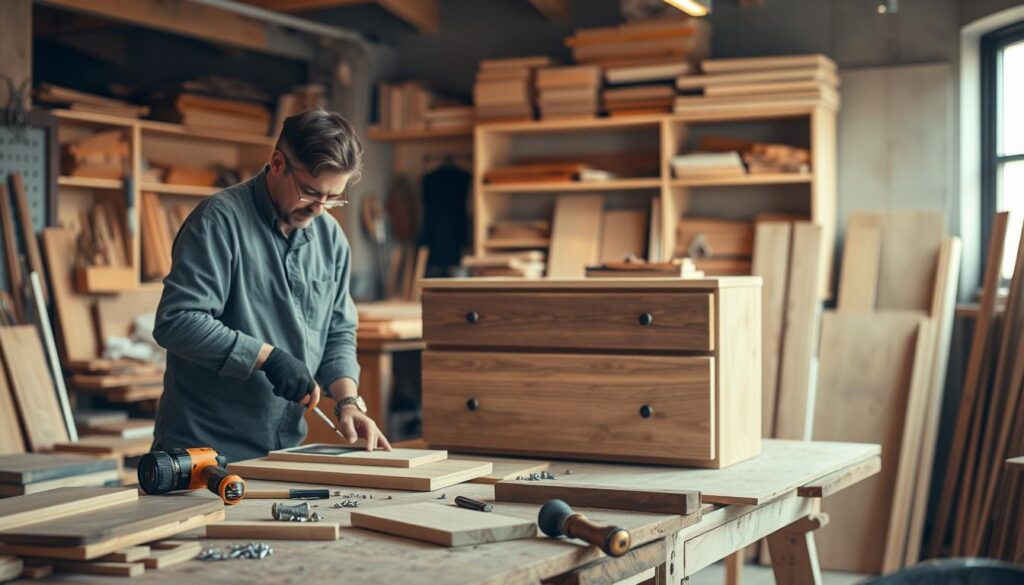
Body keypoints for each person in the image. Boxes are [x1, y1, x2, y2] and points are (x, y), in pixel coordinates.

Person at [151, 108, 390, 462]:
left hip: (283, 450)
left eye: (333, 198)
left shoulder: (331, 239)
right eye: (310, 192)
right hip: (203, 449)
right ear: (277, 163)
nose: (319, 210)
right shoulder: (218, 222)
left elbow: (338, 330)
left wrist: (348, 402)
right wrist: (268, 358)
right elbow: (178, 322)